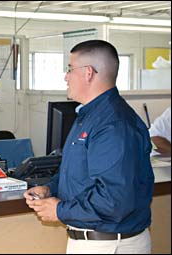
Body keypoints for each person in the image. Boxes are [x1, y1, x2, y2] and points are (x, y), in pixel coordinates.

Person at [24, 40, 154, 254]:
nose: (66, 76)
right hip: (94, 241)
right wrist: (50, 189)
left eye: (69, 69)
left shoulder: (113, 124)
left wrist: (59, 209)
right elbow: (78, 173)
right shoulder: (89, 116)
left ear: (88, 73)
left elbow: (113, 199)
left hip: (110, 244)